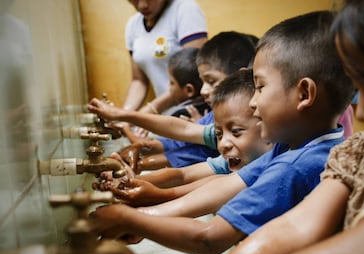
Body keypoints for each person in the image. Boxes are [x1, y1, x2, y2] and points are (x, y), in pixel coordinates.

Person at [89, 10, 354, 254]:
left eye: (260, 87)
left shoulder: (296, 164)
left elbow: (209, 239)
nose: (253, 102)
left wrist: (129, 219)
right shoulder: (292, 147)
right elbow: (226, 184)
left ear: (304, 94)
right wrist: (147, 212)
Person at [206, 1, 364, 254]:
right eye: (360, 89)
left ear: (305, 93)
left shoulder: (303, 160)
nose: (362, 111)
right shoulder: (359, 153)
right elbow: (294, 228)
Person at [94, 69, 273, 206]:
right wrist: (129, 183)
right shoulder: (234, 146)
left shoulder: (276, 162)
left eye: (235, 132)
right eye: (219, 134)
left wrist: (147, 199)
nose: (223, 144)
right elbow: (183, 171)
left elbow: (208, 235)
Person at [88, 31, 258, 171]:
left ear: (239, 77)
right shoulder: (215, 117)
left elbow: (185, 137)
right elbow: (179, 138)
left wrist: (125, 117)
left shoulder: (258, 137)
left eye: (211, 81)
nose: (203, 90)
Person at [122, 0, 207, 116]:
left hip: (192, 113)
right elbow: (139, 80)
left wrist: (148, 112)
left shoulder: (185, 9)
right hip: (164, 115)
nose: (142, 5)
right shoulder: (133, 25)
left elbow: (193, 73)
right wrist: (124, 114)